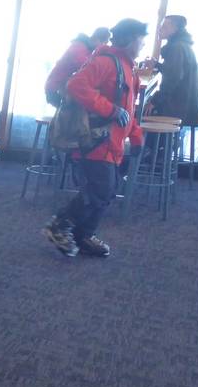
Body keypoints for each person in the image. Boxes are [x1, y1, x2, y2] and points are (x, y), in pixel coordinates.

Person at [43, 18, 147, 258]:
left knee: (107, 192)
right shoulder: (106, 62)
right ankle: (59, 226)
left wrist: (136, 136)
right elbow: (76, 85)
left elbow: (128, 109)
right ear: (130, 39)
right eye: (142, 39)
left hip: (113, 143)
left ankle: (84, 235)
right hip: (96, 141)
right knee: (100, 190)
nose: (143, 44)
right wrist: (110, 110)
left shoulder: (129, 68)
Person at [149, 15, 198, 128]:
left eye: (164, 27)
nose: (160, 29)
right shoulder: (183, 44)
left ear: (174, 29)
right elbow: (175, 72)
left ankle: (158, 140)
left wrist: (154, 101)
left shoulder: (177, 47)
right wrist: (157, 65)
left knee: (144, 111)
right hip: (187, 104)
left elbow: (172, 79)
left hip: (178, 106)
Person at [44, 27, 111, 106]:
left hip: (59, 86)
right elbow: (85, 66)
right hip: (56, 88)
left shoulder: (85, 48)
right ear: (96, 39)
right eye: (103, 43)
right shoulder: (79, 47)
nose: (102, 46)